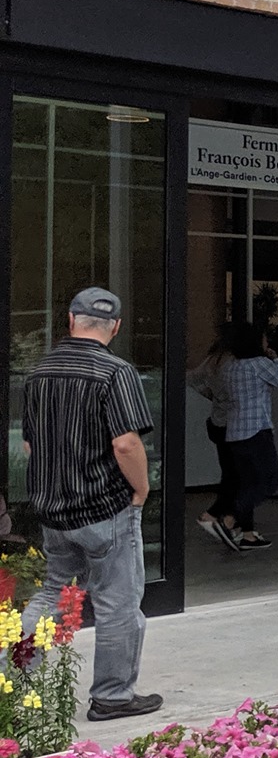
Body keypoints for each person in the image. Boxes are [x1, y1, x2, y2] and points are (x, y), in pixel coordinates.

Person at [18, 287, 160, 722]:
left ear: (70, 319)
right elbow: (126, 442)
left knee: (51, 595)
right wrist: (141, 490)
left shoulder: (38, 372)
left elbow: (28, 445)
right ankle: (113, 697)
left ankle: (12, 680)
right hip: (104, 508)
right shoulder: (116, 372)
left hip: (53, 511)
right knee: (118, 603)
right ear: (115, 327)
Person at [221, 321, 278, 550]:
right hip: (257, 429)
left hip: (234, 431)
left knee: (247, 483)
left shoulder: (230, 366)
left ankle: (248, 534)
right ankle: (229, 518)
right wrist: (276, 359)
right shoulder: (260, 364)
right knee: (269, 481)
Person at [186, 323, 241, 550]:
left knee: (230, 472)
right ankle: (217, 515)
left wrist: (211, 394)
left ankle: (227, 518)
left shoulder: (213, 359)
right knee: (237, 474)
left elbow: (191, 378)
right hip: (233, 422)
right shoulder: (234, 363)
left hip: (217, 421)